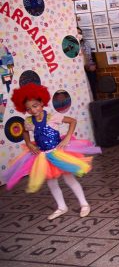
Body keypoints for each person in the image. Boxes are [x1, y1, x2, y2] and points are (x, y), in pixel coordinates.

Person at [3, 83, 101, 220]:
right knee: (51, 182)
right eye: (28, 108)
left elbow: (72, 121)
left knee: (69, 179)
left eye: (35, 106)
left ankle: (84, 204)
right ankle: (61, 207)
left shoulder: (53, 117)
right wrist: (28, 144)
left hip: (58, 152)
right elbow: (25, 132)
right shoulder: (29, 121)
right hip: (43, 156)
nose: (33, 110)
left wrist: (66, 138)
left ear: (42, 103)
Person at [76, 27, 97, 99]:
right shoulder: (71, 45)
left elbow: (88, 56)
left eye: (80, 33)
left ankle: (94, 100)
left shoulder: (85, 43)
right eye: (77, 33)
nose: (79, 35)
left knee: (92, 87)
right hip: (78, 70)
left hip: (87, 67)